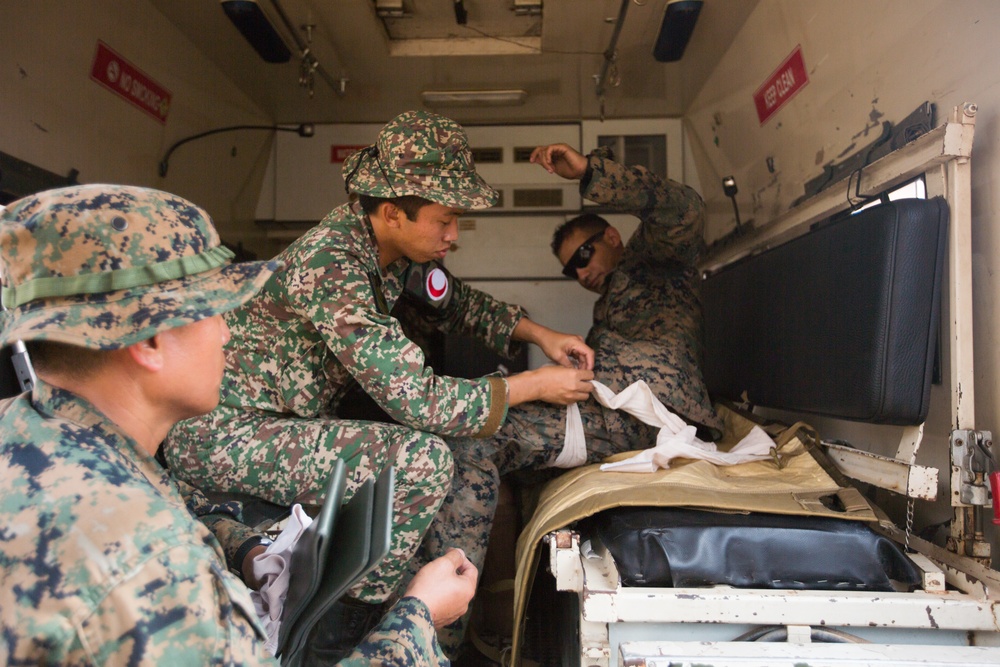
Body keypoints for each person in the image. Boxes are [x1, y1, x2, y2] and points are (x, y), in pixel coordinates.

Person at [162, 110, 595, 650]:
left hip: (276, 422)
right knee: (423, 459)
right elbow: (422, 401)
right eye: (444, 221)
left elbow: (455, 301)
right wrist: (534, 385)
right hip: (223, 433)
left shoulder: (390, 252)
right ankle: (342, 637)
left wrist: (543, 334)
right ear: (392, 212)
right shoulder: (333, 264)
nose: (454, 236)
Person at [0, 184, 477, 665]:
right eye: (214, 310)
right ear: (150, 339)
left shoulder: (28, 433)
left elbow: (165, 496)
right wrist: (417, 620)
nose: (228, 331)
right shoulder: (158, 568)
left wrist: (241, 543)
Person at [423, 143, 726, 650]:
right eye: (571, 270)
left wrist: (589, 171)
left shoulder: (657, 266)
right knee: (509, 463)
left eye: (584, 255)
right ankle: (507, 622)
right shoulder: (608, 314)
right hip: (615, 410)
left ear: (612, 236)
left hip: (649, 415)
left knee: (474, 442)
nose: (582, 273)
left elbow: (685, 208)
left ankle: (439, 639)